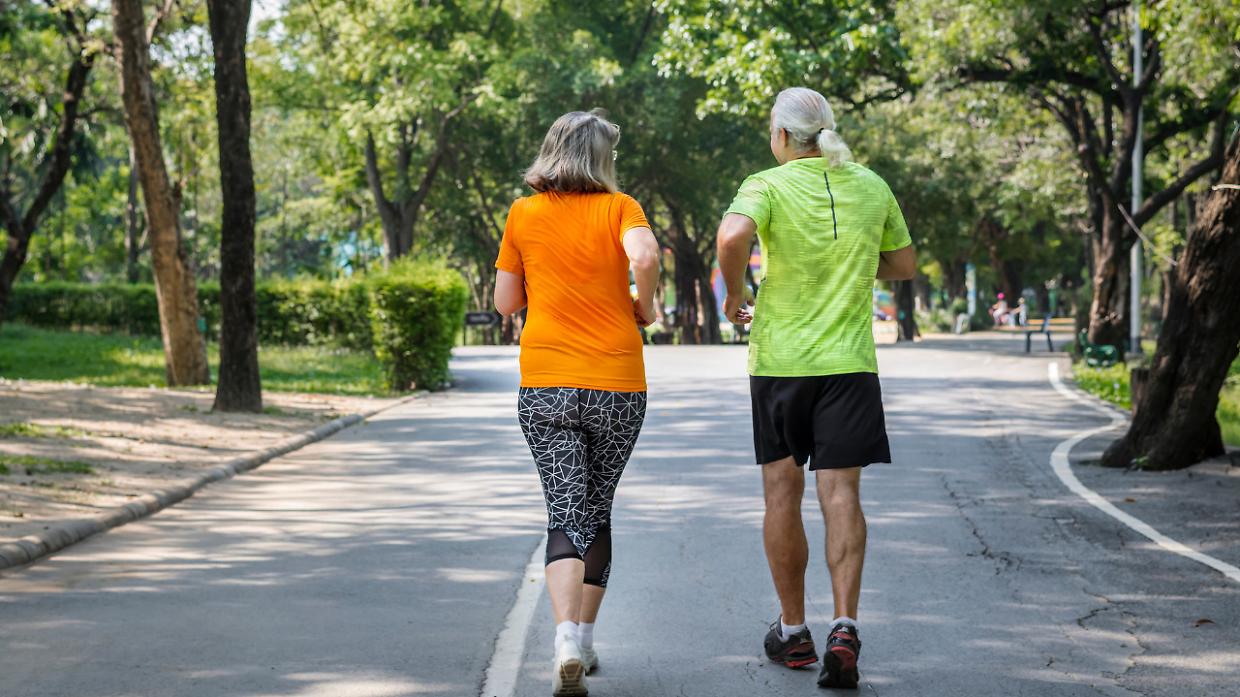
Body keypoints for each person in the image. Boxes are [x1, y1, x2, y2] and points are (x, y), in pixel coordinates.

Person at [715, 87, 915, 689]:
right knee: (842, 496)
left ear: (781, 137)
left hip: (780, 364)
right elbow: (902, 265)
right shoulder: (870, 184)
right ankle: (845, 624)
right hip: (849, 366)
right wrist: (850, 263)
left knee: (782, 494)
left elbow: (730, 239)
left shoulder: (767, 185)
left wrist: (735, 296)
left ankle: (795, 632)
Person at [493, 109, 660, 697]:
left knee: (567, 510)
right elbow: (642, 257)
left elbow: (506, 301)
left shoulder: (523, 212)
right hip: (616, 383)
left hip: (546, 385)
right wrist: (647, 304)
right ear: (602, 159)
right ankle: (585, 641)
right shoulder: (622, 208)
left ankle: (564, 638)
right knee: (598, 505)